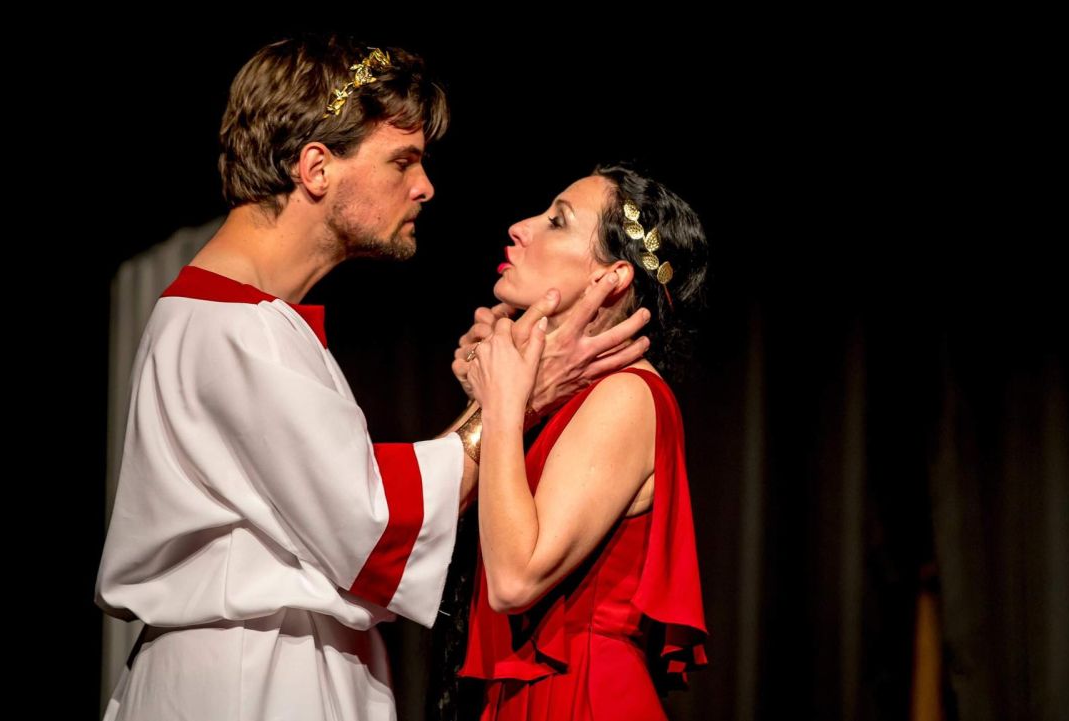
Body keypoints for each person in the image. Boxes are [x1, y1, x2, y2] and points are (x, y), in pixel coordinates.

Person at [94, 35, 648, 721]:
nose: (425, 186)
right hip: (249, 681)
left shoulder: (241, 318)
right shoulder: (235, 326)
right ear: (316, 168)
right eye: (402, 160)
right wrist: (515, 401)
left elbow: (354, 498)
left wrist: (496, 401)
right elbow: (376, 527)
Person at [453, 165, 709, 719]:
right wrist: (496, 398)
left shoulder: (627, 395)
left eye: (557, 221)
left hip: (582, 696)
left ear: (611, 278)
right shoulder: (561, 400)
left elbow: (514, 579)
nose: (521, 227)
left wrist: (502, 403)